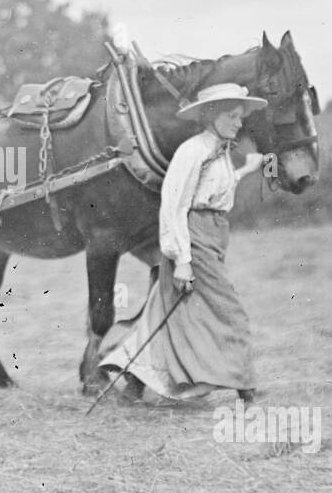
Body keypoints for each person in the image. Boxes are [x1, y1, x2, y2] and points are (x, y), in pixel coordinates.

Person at [97, 82, 269, 404]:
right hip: (194, 236)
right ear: (212, 116)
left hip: (215, 234)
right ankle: (246, 389)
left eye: (240, 116)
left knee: (171, 314)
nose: (239, 122)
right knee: (230, 313)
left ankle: (134, 383)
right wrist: (183, 261)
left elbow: (216, 188)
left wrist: (245, 170)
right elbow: (174, 206)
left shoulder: (219, 153)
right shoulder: (192, 151)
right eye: (232, 115)